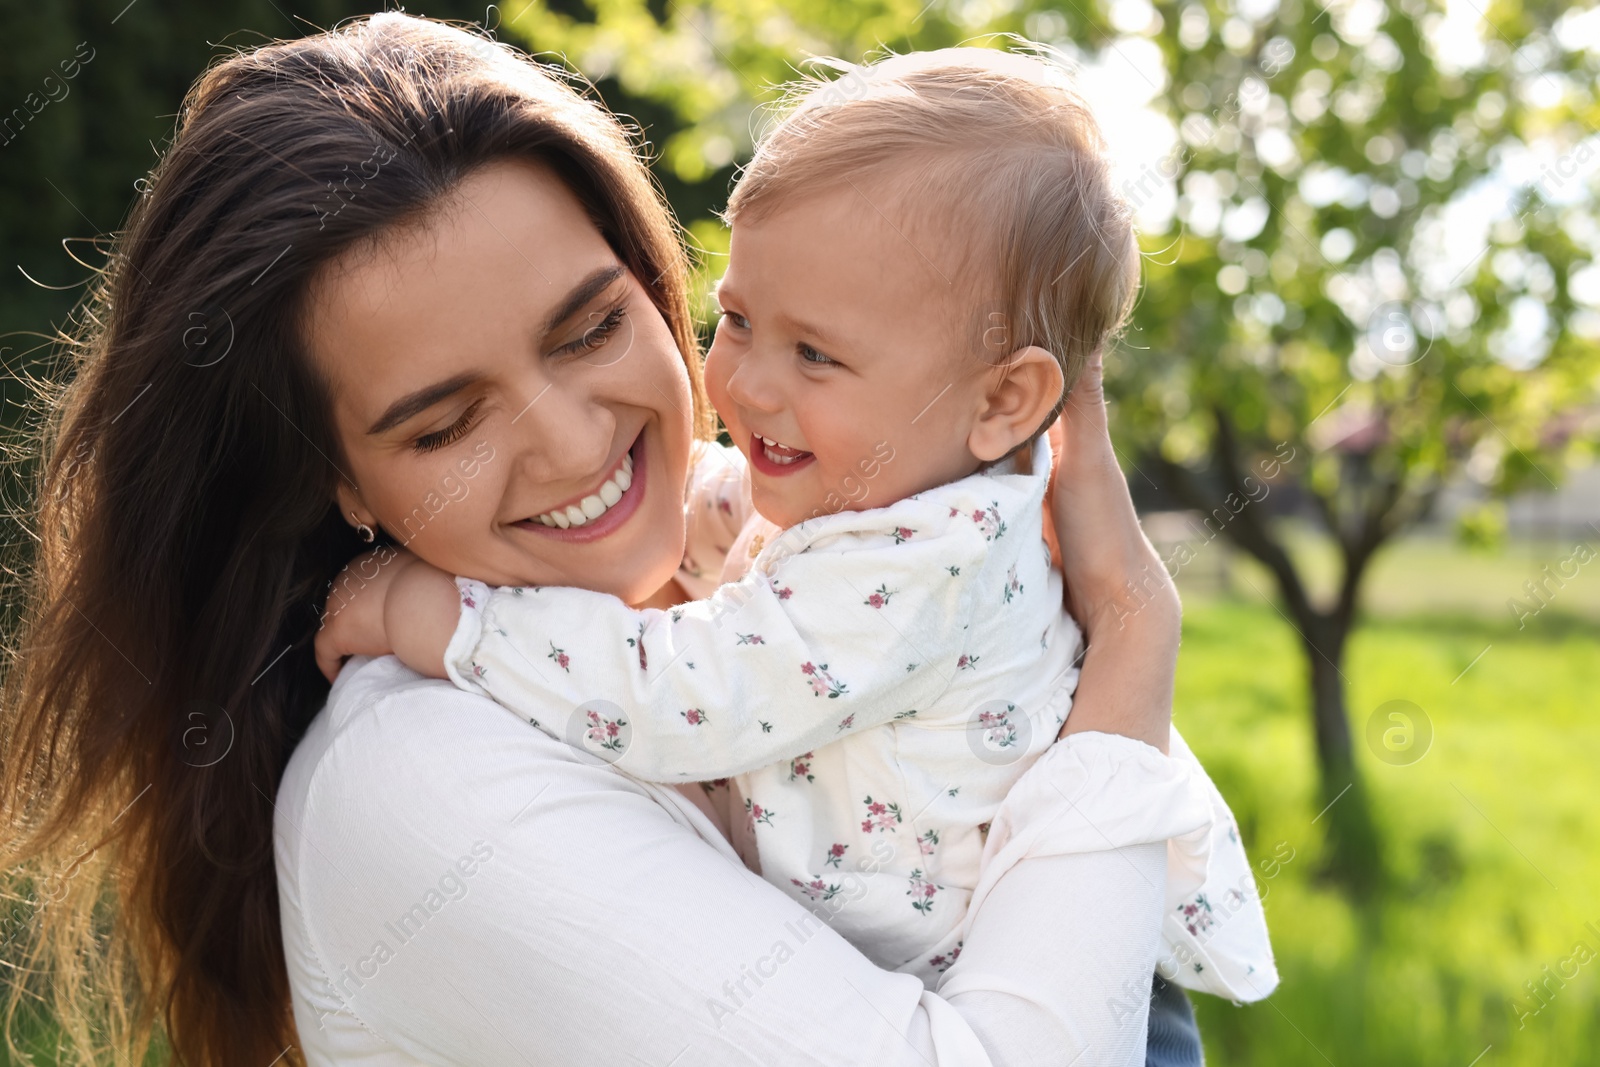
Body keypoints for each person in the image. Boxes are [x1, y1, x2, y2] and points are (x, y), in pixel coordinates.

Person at [0, 14, 1261, 1066]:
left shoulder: (778, 553)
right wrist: (1133, 647)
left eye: (591, 328)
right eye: (446, 424)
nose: (570, 445)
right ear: (341, 482)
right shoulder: (424, 772)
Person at [314, 47, 1275, 1001]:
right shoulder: (908, 485)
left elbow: (680, 695)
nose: (746, 382)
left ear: (1003, 399)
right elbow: (730, 513)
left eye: (815, 353)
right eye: (735, 318)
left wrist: (439, 617)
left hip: (1098, 1013)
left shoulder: (919, 567)